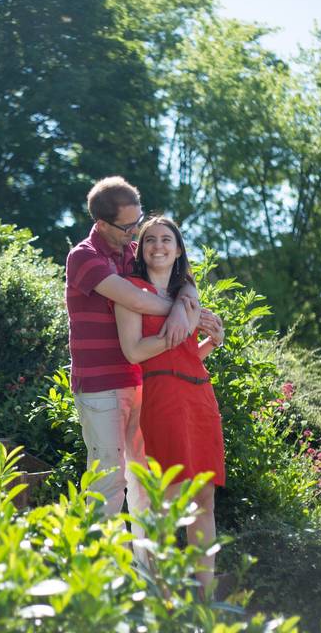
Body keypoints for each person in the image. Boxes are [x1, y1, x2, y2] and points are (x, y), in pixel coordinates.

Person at [64, 177, 222, 547]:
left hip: (142, 383)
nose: (136, 231)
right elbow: (135, 299)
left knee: (146, 485)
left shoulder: (130, 250)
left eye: (138, 222)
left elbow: (182, 276)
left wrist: (189, 300)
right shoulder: (85, 256)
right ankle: (97, 582)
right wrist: (188, 315)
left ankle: (148, 581)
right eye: (128, 225)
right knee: (108, 482)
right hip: (102, 388)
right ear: (102, 224)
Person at [113, 216, 226, 594]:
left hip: (199, 398)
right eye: (150, 241)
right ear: (141, 252)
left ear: (178, 250)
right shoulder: (131, 290)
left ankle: (206, 595)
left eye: (166, 240)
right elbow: (135, 352)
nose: (158, 246)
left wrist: (212, 340)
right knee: (168, 497)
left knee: (205, 496)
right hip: (161, 398)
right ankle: (161, 594)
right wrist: (177, 326)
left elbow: (186, 356)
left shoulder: (186, 292)